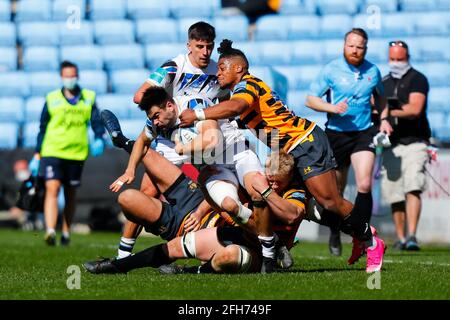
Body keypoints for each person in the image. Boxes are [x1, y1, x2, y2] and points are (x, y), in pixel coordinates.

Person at [179, 39, 386, 273]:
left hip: (305, 142)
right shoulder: (249, 88)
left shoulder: (246, 86)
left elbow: (236, 107)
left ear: (238, 68)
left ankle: (371, 241)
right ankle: (344, 236)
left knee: (329, 201)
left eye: (222, 68)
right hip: (290, 147)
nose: (218, 74)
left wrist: (197, 114)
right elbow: (270, 129)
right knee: (312, 207)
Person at [107, 21, 229, 259]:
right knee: (148, 189)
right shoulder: (173, 67)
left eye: (209, 47)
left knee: (221, 184)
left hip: (205, 138)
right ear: (189, 45)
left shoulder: (218, 70)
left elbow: (226, 103)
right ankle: (124, 251)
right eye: (200, 46)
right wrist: (168, 109)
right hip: (172, 136)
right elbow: (140, 96)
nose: (205, 52)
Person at [305, 28, 391, 257]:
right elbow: (310, 99)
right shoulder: (332, 69)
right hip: (336, 135)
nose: (355, 50)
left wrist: (383, 120)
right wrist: (332, 108)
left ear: (366, 48)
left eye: (360, 46)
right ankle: (335, 232)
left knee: (364, 184)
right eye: (351, 45)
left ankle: (361, 237)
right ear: (344, 45)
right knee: (337, 192)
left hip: (363, 132)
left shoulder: (373, 71)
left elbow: (381, 98)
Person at [28, 60, 105, 246]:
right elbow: (43, 127)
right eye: (66, 76)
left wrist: (99, 137)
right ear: (61, 77)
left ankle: (66, 232)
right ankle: (50, 230)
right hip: (52, 150)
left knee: (70, 193)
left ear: (77, 76)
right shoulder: (52, 98)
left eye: (72, 76)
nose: (69, 79)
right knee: (52, 189)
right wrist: (38, 153)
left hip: (77, 153)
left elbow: (96, 121)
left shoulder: (88, 97)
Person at [380, 40, 431, 251]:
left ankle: (412, 236)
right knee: (395, 192)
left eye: (399, 59)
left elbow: (415, 109)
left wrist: (387, 112)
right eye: (392, 59)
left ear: (407, 57)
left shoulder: (418, 79)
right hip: (392, 144)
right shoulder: (383, 82)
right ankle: (400, 237)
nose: (396, 63)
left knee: (413, 185)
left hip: (415, 142)